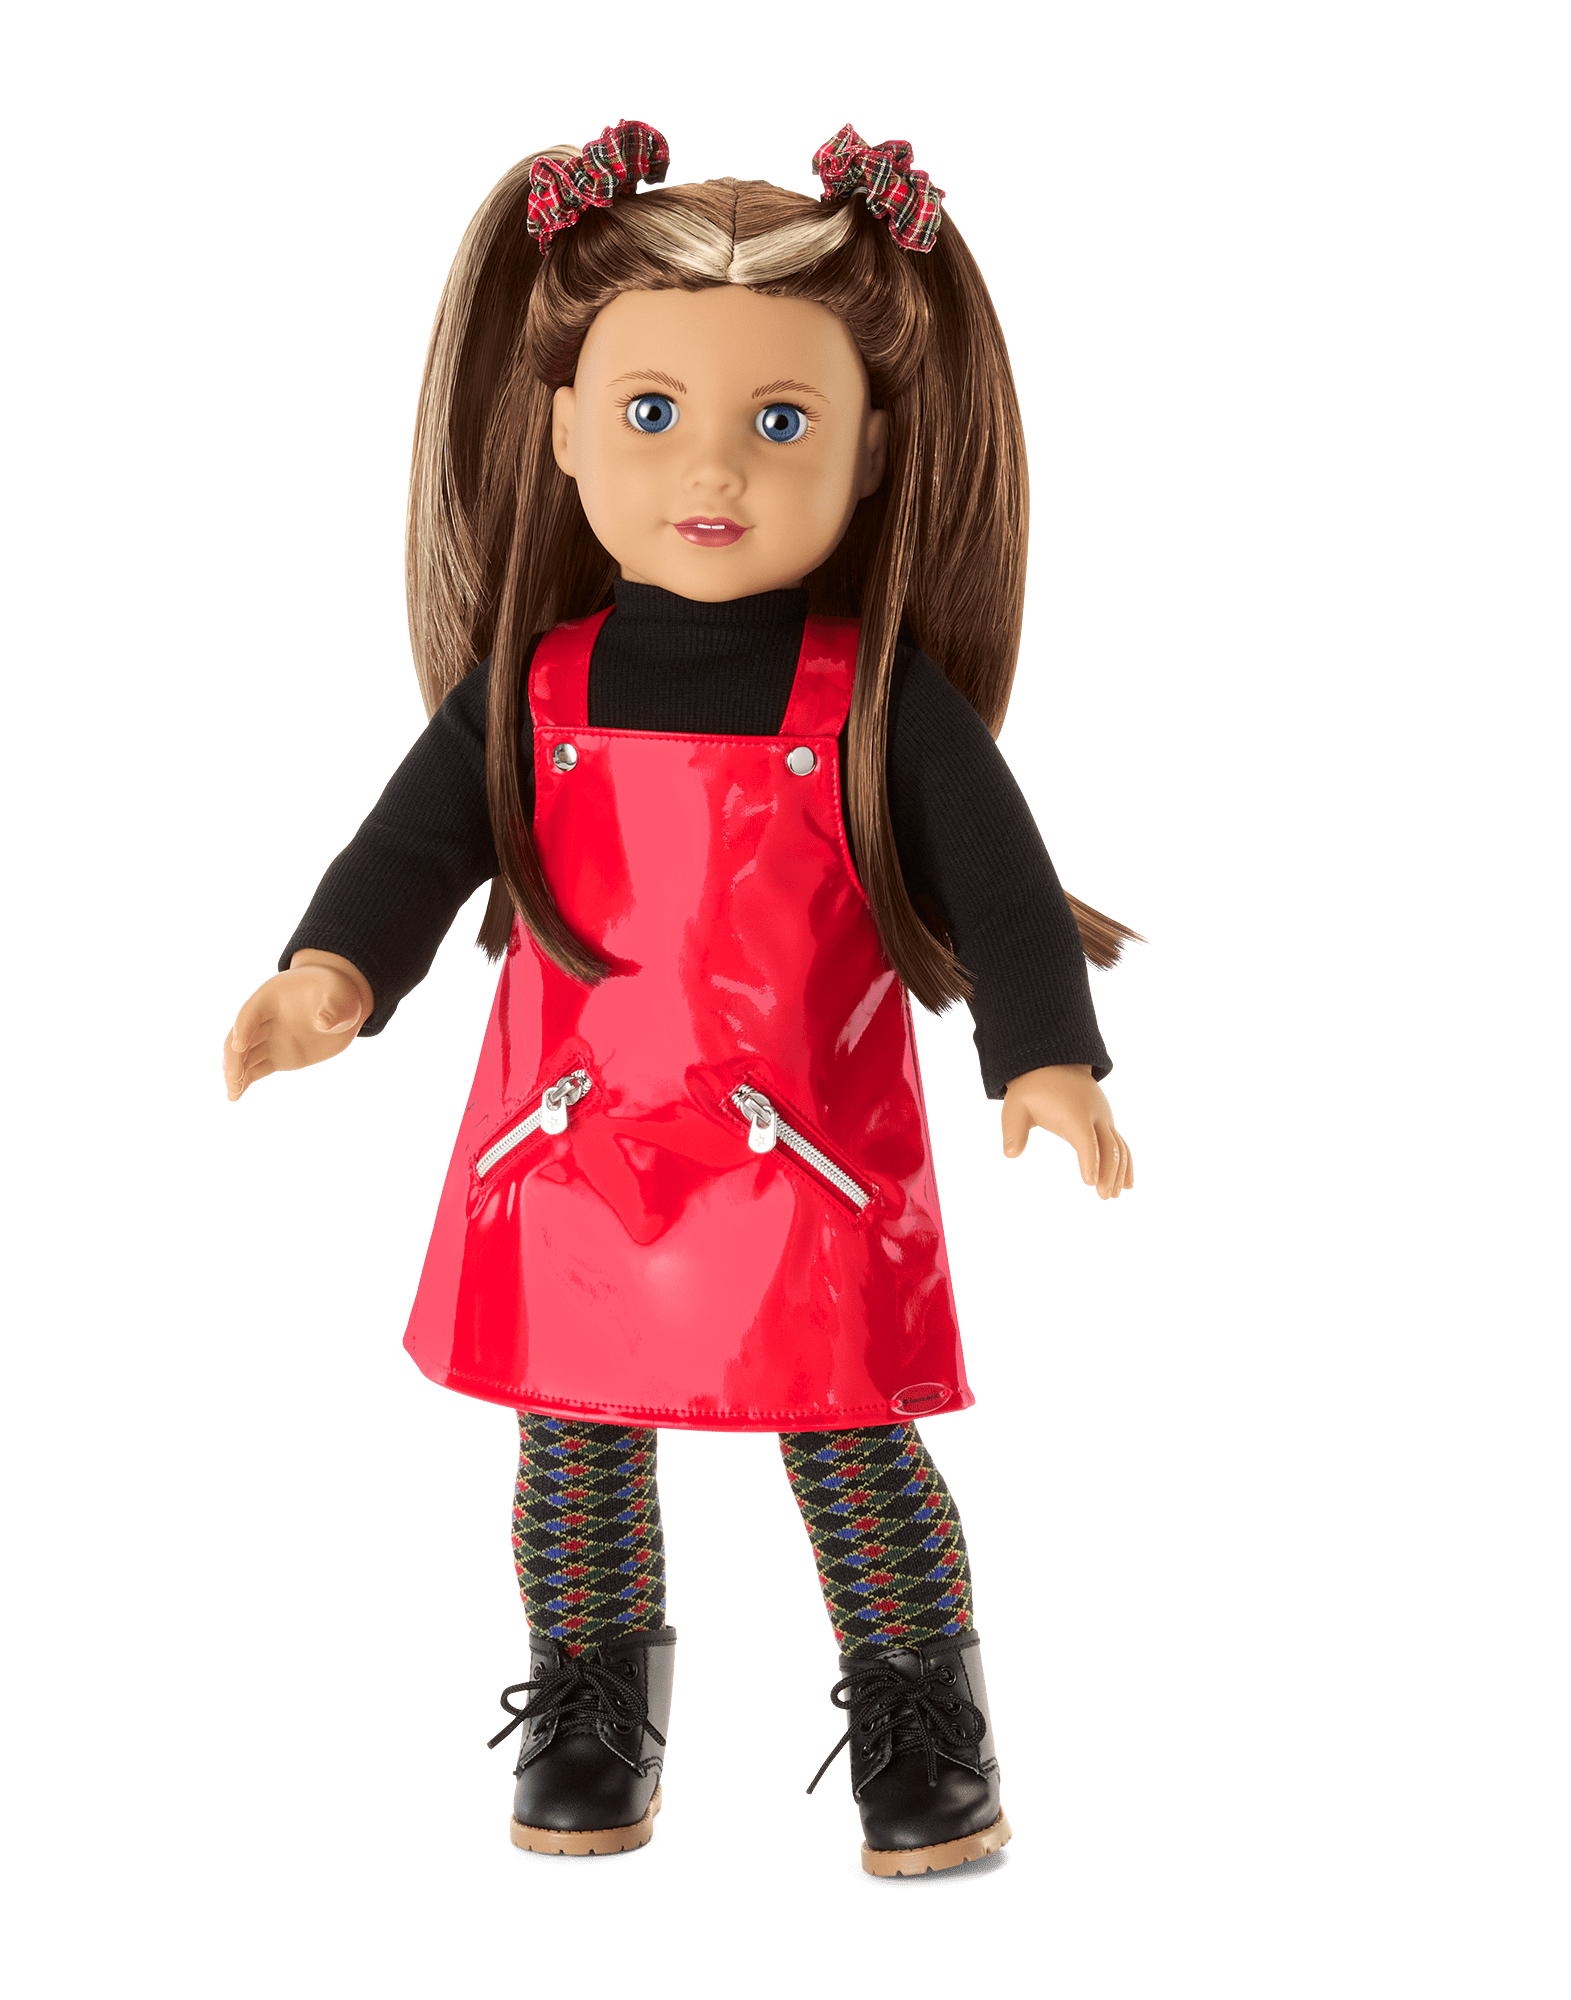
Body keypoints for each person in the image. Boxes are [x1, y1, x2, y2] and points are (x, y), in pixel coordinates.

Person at [220, 120, 1141, 1877]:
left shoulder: (881, 702)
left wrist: (1045, 1058)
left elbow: (1006, 889)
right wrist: (332, 972)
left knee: (847, 1441)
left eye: (779, 422)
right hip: (576, 1143)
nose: (709, 465)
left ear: (872, 451)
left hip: (803, 1148)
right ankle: (590, 1708)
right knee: (573, 1439)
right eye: (652, 412)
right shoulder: (529, 687)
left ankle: (922, 1718)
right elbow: (414, 850)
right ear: (566, 428)